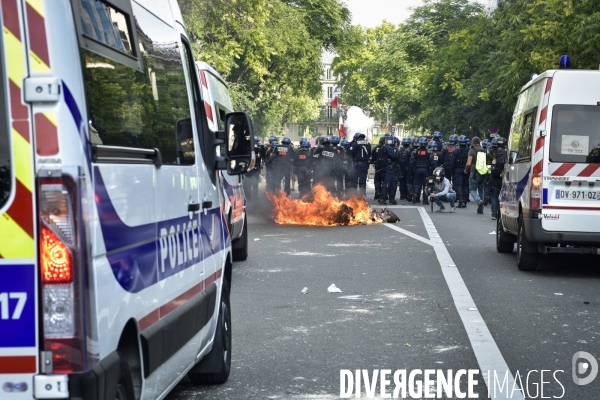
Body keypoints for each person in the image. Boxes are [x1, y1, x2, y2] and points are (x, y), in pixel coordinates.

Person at [464, 136, 488, 214]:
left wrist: (466, 170)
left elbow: (468, 163)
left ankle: (479, 201)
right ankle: (481, 209)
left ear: (473, 142)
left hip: (475, 173)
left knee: (472, 189)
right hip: (483, 172)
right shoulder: (483, 150)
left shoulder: (472, 150)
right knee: (481, 190)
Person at [410, 137, 435, 205]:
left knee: (417, 184)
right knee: (426, 185)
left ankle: (416, 194)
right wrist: (433, 171)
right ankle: (425, 200)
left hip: (417, 170)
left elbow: (412, 162)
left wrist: (411, 171)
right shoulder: (429, 152)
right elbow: (432, 163)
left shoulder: (415, 152)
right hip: (426, 170)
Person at [378, 134, 400, 205]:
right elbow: (394, 156)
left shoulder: (384, 146)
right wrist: (397, 154)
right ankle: (384, 198)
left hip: (387, 167)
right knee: (388, 183)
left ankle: (390, 199)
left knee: (391, 183)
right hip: (390, 168)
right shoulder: (388, 147)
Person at [348, 132, 372, 197]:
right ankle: (362, 198)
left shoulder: (355, 144)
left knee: (354, 182)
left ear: (357, 138)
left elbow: (351, 153)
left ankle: (353, 197)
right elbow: (369, 154)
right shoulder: (368, 144)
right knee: (363, 183)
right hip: (365, 165)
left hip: (357, 165)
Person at [488, 136, 507, 220]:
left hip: (494, 176)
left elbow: (488, 164)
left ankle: (494, 214)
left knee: (494, 195)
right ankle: (502, 214)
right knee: (504, 196)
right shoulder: (507, 152)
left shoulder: (491, 152)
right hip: (504, 175)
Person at [450, 135, 470, 208]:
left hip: (458, 170)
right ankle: (465, 200)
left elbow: (452, 161)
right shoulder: (469, 150)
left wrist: (452, 170)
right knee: (465, 185)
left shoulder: (456, 150)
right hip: (466, 169)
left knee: (459, 185)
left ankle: (461, 200)